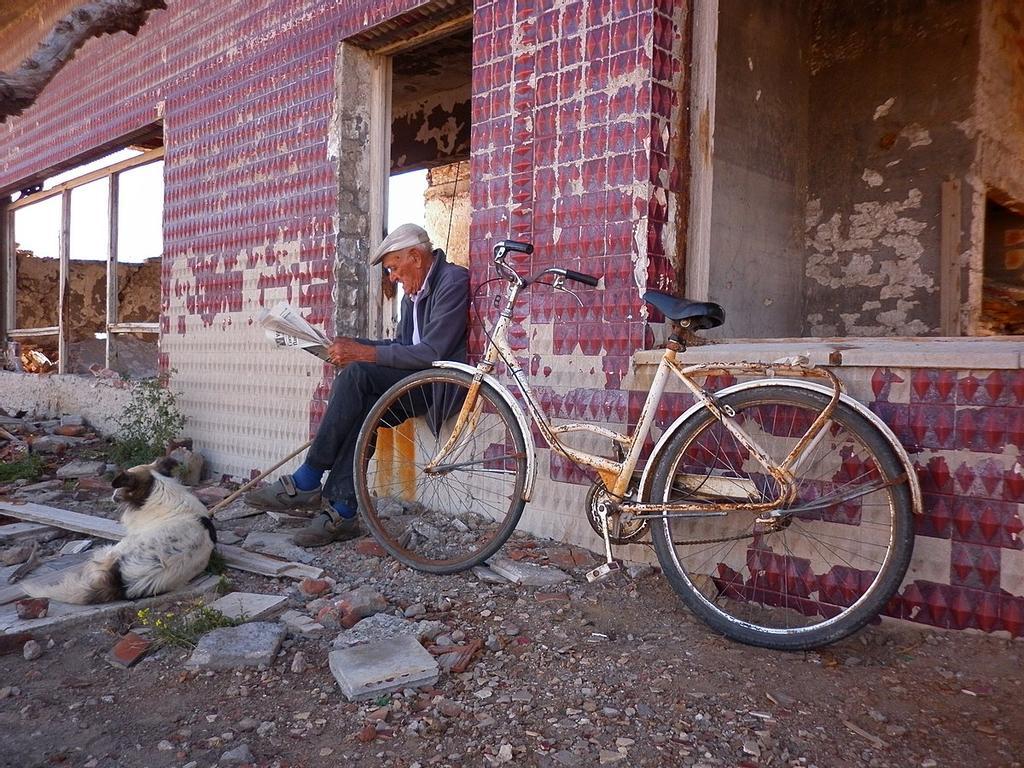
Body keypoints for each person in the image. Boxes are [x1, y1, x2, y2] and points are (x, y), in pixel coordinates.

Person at [246, 223, 470, 546]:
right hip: (414, 381)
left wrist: (363, 354)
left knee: (357, 375)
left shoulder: (453, 281)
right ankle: (343, 511)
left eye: (394, 267)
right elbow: (403, 346)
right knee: (361, 404)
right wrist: (351, 347)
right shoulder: (411, 298)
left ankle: (308, 478)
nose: (392, 277)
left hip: (436, 386)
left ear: (416, 258)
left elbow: (431, 353)